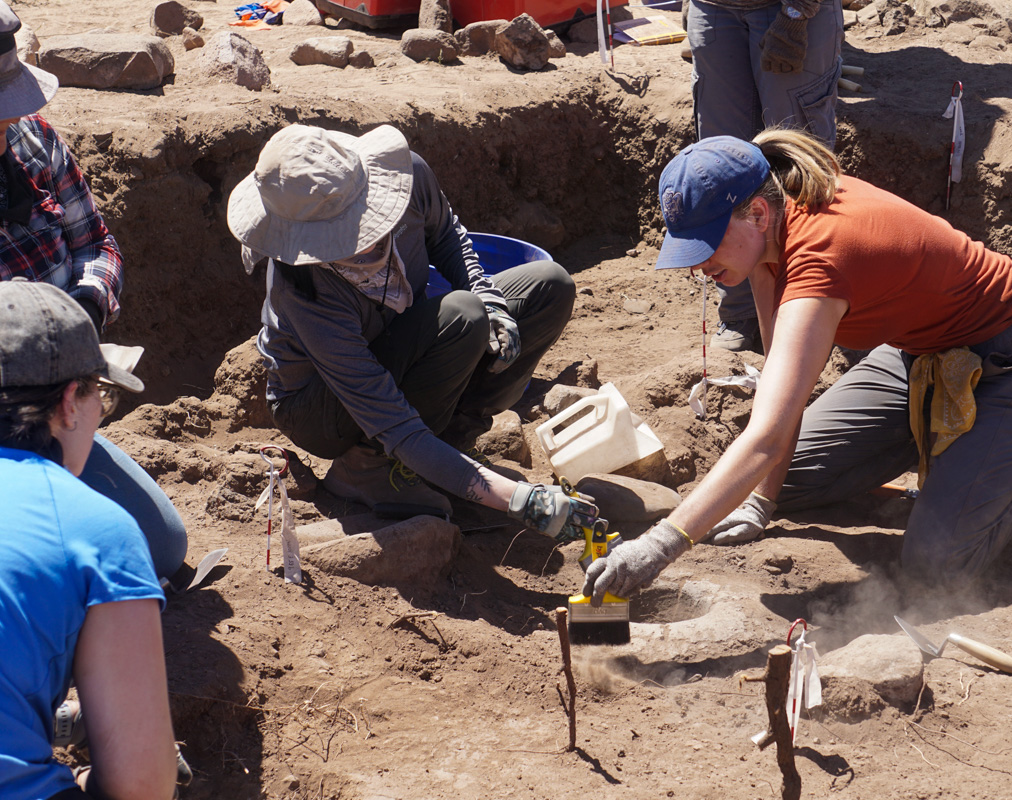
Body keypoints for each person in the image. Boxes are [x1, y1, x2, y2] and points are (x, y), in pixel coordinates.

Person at [582, 131, 1012, 602]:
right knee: (775, 484)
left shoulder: (822, 256)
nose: (698, 265)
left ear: (756, 216)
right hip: (922, 353)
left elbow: (764, 437)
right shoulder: (769, 235)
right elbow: (777, 406)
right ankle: (955, 445)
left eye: (705, 245)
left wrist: (660, 545)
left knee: (936, 568)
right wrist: (760, 505)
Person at [227, 123, 597, 539]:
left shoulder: (407, 178)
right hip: (321, 405)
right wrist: (517, 499)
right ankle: (367, 467)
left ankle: (452, 444)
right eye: (340, 238)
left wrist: (489, 297)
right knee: (461, 316)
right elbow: (389, 417)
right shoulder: (304, 289)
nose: (365, 243)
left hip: (398, 340)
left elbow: (447, 235)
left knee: (549, 286)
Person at [0, 1, 187, 579]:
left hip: (60, 403)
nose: (8, 125)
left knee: (162, 545)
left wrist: (85, 304)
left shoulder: (36, 142)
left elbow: (98, 245)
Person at [0, 280, 177, 800]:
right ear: (70, 403)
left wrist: (60, 723)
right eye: (102, 392)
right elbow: (141, 785)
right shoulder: (98, 531)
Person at [687, 0, 843, 352]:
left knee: (799, 167)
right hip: (715, 8)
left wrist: (795, 13)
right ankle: (740, 310)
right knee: (722, 167)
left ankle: (812, 306)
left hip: (789, 10)